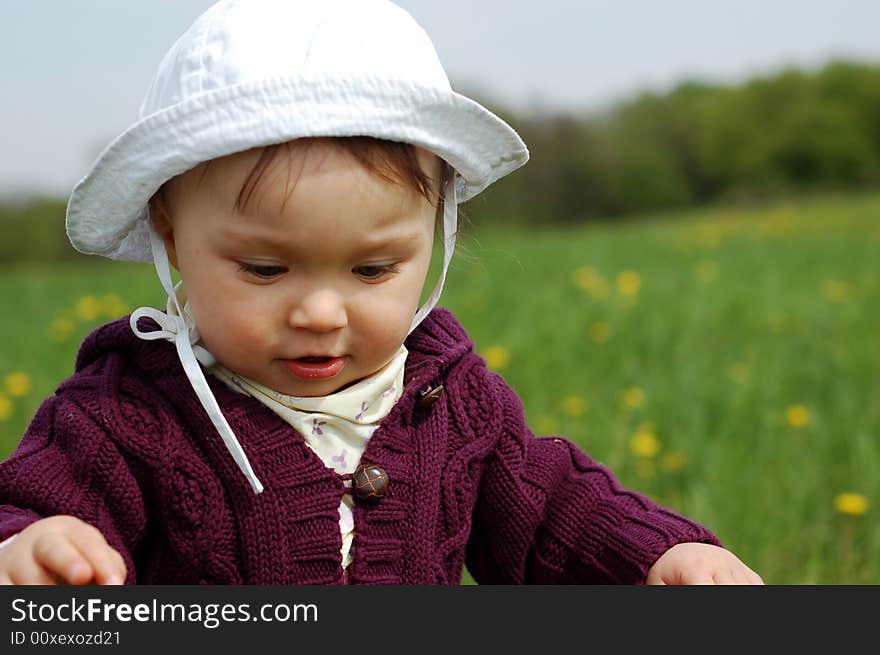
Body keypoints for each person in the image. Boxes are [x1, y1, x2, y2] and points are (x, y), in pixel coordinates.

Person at [0, 0, 762, 585]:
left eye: (372, 270)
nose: (320, 313)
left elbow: (550, 511)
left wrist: (660, 553)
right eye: (265, 270)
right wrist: (28, 547)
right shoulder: (126, 416)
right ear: (170, 233)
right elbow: (36, 502)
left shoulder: (449, 401)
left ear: (435, 234)